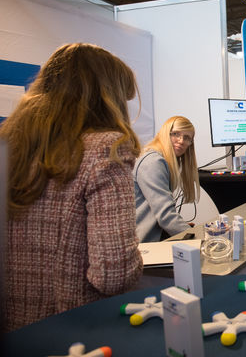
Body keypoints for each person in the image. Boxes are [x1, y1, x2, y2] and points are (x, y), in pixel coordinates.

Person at [0, 43, 143, 331]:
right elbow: (113, 275)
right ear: (108, 98)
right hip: (75, 330)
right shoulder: (106, 150)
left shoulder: (10, 146)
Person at [135, 116, 201, 242]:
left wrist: (184, 228)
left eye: (187, 138)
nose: (181, 141)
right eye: (176, 134)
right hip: (146, 244)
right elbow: (166, 216)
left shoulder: (161, 161)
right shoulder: (153, 162)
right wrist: (199, 238)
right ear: (165, 134)